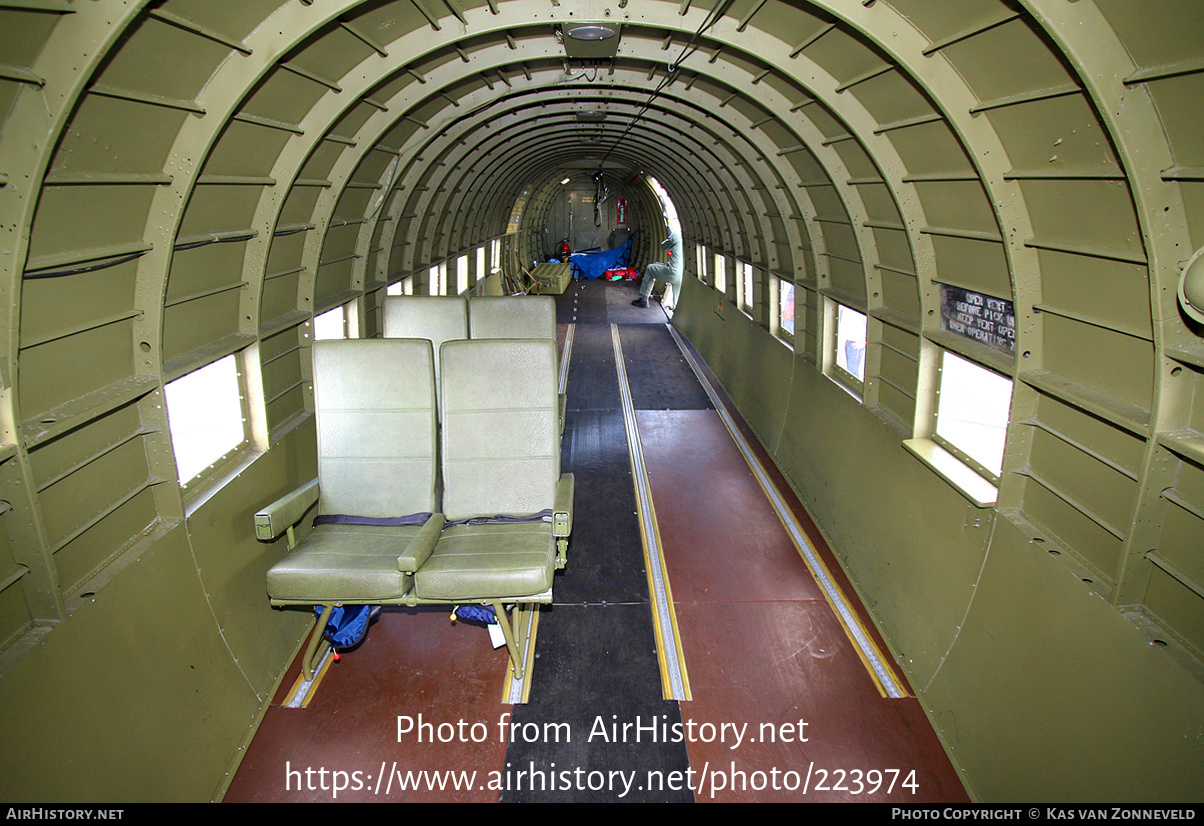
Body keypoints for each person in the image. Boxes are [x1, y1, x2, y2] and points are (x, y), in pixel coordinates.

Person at [632, 230, 683, 308]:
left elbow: (664, 247)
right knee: (677, 296)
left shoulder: (677, 235)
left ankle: (644, 300)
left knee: (650, 268)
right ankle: (676, 311)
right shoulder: (688, 238)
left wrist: (670, 236)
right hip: (683, 274)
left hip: (672, 272)